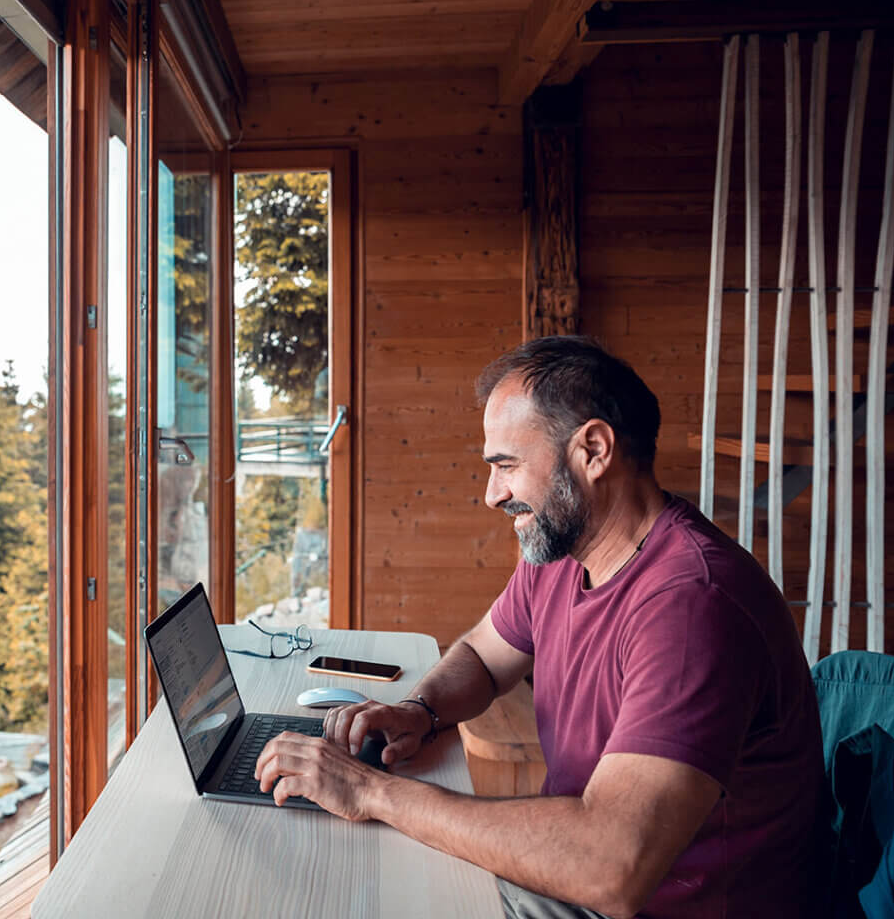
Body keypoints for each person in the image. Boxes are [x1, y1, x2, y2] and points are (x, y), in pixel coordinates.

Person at [255, 336, 824, 918]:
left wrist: (371, 790)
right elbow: (482, 654)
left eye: (506, 465)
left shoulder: (691, 606)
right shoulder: (562, 553)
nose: (491, 493)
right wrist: (420, 710)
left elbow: (611, 865)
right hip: (581, 875)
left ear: (593, 450)